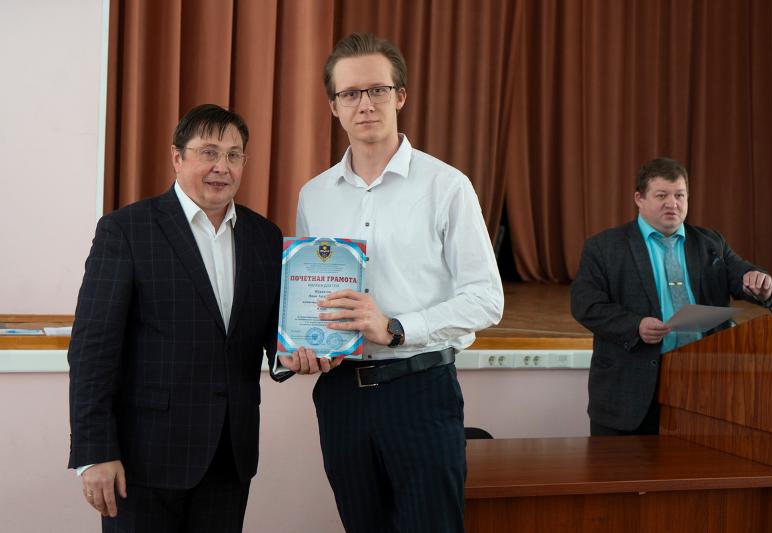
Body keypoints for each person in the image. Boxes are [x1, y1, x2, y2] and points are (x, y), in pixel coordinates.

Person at [278, 33, 504, 532]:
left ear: (400, 96)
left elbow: (487, 299)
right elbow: (309, 294)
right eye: (350, 94)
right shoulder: (315, 194)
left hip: (419, 390)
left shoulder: (447, 186)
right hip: (340, 396)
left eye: (377, 90)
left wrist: (396, 328)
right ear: (334, 107)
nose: (365, 104)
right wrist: (306, 347)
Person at [68, 104, 286, 532]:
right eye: (209, 152)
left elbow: (271, 337)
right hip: (143, 458)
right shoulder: (127, 230)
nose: (222, 167)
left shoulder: (265, 237)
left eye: (234, 155)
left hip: (230, 456)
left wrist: (298, 354)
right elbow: (93, 350)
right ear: (177, 157)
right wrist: (94, 451)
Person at [571, 157, 772, 436]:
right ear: (639, 199)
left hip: (703, 390)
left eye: (679, 195)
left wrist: (760, 282)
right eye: (661, 195)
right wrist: (635, 326)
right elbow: (586, 305)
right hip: (629, 393)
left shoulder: (710, 242)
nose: (672, 203)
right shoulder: (604, 247)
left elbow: (743, 273)